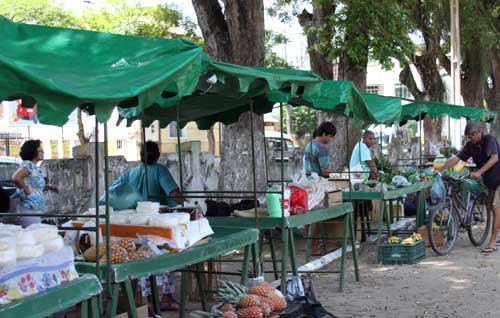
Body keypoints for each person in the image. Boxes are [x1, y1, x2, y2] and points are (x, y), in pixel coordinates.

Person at [111, 141, 182, 311]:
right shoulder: (160, 170)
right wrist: (181, 197)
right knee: (167, 255)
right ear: (157, 155)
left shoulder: (131, 173)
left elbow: (114, 189)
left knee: (143, 257)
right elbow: (174, 194)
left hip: (137, 223)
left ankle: (149, 300)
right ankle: (166, 296)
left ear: (140, 155)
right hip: (159, 223)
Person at [436, 122, 500, 253]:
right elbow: (457, 158)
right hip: (488, 181)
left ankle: (493, 243)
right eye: (468, 138)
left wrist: (479, 172)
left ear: (477, 133)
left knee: (496, 209)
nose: (469, 140)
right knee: (493, 210)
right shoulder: (471, 146)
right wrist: (441, 170)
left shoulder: (489, 140)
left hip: (498, 179)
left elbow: (494, 158)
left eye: (471, 137)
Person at [11, 140, 58, 226]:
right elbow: (16, 178)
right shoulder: (28, 165)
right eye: (40, 150)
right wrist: (26, 191)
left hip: (35, 209)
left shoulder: (34, 167)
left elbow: (35, 187)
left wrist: (50, 187)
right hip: (28, 208)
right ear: (33, 152)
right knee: (32, 235)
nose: (43, 152)